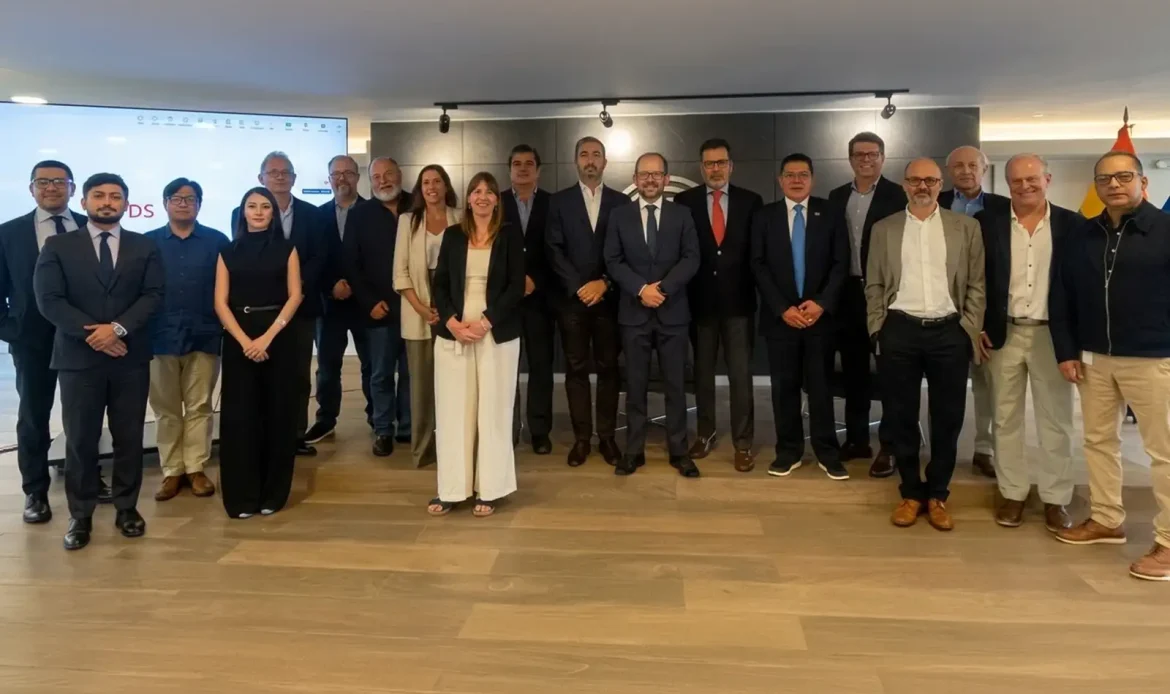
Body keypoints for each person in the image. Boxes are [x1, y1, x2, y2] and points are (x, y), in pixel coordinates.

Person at [1049, 151, 1170, 581]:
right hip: (1094, 358)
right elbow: (1061, 295)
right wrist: (1066, 350)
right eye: (1105, 179)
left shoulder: (1165, 230)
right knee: (1099, 441)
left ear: (1142, 182)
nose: (1114, 185)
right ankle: (1106, 519)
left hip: (1154, 358)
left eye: (1123, 177)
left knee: (1164, 452)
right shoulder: (1082, 234)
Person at [34, 173, 165, 550]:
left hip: (129, 358)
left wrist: (118, 329)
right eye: (99, 195)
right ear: (84, 202)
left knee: (129, 437)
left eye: (115, 196)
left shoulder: (144, 246)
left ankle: (127, 508)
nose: (107, 202)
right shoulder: (58, 246)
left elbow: (154, 295)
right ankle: (81, 515)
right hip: (79, 360)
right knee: (80, 440)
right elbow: (49, 300)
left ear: (126, 203)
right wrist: (96, 335)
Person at [865, 158, 985, 532]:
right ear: (904, 185)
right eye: (915, 180)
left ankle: (938, 494)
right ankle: (910, 493)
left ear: (940, 184)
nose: (922, 186)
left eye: (930, 180)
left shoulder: (966, 227)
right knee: (900, 415)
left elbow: (977, 284)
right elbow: (874, 284)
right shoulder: (884, 228)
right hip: (899, 329)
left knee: (947, 418)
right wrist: (877, 329)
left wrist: (968, 328)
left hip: (949, 332)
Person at [977, 154, 1077, 532]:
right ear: (1007, 184)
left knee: (1057, 421)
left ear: (1047, 179)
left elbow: (1080, 286)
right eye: (1016, 180)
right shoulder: (986, 223)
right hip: (1002, 333)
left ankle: (1056, 498)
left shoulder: (1072, 224)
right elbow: (975, 279)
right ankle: (1013, 493)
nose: (1025, 186)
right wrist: (978, 327)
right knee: (1005, 418)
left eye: (1032, 179)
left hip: (1053, 336)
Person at [0, 160, 97, 524]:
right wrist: (12, 330)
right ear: (31, 189)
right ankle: (35, 491)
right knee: (33, 415)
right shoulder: (8, 233)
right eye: (43, 182)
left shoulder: (91, 227)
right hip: (32, 341)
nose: (52, 187)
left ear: (72, 188)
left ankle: (89, 479)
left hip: (85, 337)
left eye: (59, 181)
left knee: (85, 415)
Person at [429, 172, 524, 517]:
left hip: (496, 334)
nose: (482, 196)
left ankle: (490, 488)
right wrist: (451, 322)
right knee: (454, 412)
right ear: (468, 199)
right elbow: (440, 284)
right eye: (476, 191)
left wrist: (485, 322)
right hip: (455, 332)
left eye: (489, 192)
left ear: (497, 199)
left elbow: (516, 286)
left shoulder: (509, 235)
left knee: (493, 411)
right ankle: (452, 489)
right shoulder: (453, 235)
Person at [751, 153, 849, 480]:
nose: (796, 180)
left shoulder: (830, 213)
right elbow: (758, 266)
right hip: (781, 319)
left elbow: (841, 263)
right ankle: (788, 451)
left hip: (820, 318)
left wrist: (821, 303)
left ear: (812, 179)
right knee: (784, 389)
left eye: (803, 174)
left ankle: (827, 452)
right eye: (790, 175)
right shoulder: (764, 216)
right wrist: (782, 308)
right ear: (780, 180)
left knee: (821, 388)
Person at [603, 152, 700, 477]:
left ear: (666, 180)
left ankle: (679, 451)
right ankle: (633, 451)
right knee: (635, 386)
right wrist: (641, 289)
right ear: (635, 180)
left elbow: (691, 258)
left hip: (673, 313)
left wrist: (663, 289)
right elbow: (613, 260)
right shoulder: (619, 216)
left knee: (675, 386)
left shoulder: (682, 215)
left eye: (656, 174)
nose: (650, 179)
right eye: (644, 174)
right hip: (634, 313)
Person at [673, 138, 763, 472]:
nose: (715, 169)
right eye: (710, 163)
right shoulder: (685, 202)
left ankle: (743, 443)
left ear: (731, 166)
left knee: (741, 377)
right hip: (700, 305)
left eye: (721, 162)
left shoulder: (751, 201)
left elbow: (757, 254)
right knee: (703, 376)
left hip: (739, 304)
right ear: (701, 168)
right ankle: (705, 433)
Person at [215, 187, 303, 519]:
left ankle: (273, 494)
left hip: (278, 337)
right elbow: (220, 302)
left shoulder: (287, 249)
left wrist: (267, 338)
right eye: (252, 206)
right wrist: (244, 340)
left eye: (265, 206)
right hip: (239, 340)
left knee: (277, 415)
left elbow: (295, 296)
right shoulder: (227, 251)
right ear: (243, 211)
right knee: (241, 418)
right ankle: (241, 497)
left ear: (273, 213)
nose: (258, 212)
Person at [232, 152, 325, 456]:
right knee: (260, 375)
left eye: (286, 172)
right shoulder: (239, 213)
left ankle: (294, 436)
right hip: (257, 312)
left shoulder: (313, 214)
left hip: (300, 308)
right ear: (261, 178)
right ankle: (262, 435)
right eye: (273, 172)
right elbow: (243, 257)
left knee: (297, 376)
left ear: (294, 178)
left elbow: (319, 258)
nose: (280, 176)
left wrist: (293, 289)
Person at [827, 132, 907, 477]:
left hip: (887, 294)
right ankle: (857, 439)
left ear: (882, 158)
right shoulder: (836, 196)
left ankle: (890, 445)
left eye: (872, 154)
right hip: (847, 293)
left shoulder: (898, 195)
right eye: (859, 155)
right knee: (854, 371)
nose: (866, 160)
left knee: (890, 372)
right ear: (850, 160)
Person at [546, 136, 629, 467]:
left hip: (610, 300)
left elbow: (627, 250)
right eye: (584, 154)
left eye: (596, 154)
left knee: (609, 369)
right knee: (576, 369)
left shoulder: (622, 202)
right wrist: (580, 287)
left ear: (605, 162)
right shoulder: (558, 202)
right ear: (576, 161)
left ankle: (607, 437)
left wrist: (604, 283)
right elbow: (553, 249)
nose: (590, 160)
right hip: (573, 302)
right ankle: (582, 438)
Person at [144, 178, 228, 502]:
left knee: (200, 405)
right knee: (165, 409)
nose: (183, 204)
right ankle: (172, 470)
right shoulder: (147, 243)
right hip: (158, 337)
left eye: (190, 199)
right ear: (165, 203)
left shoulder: (217, 241)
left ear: (199, 205)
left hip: (204, 335)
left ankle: (195, 467)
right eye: (177, 198)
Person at [941, 145, 1011, 479]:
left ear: (984, 168)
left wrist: (984, 320)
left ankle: (985, 449)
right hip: (943, 310)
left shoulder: (1004, 208)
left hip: (989, 310)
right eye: (958, 166)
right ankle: (942, 451)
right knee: (944, 388)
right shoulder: (934, 202)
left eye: (973, 165)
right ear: (948, 171)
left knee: (987, 387)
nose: (966, 171)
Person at [394, 164, 461, 467]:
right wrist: (421, 308)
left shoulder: (461, 217)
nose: (431, 187)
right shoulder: (408, 221)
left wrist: (450, 310)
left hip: (455, 308)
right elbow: (400, 273)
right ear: (420, 189)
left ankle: (454, 448)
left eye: (437, 181)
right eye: (425, 182)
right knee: (421, 386)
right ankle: (423, 450)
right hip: (418, 306)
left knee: (455, 384)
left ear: (446, 185)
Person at [345, 157, 413, 456]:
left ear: (400, 175)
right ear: (370, 181)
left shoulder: (418, 205)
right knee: (380, 374)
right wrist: (369, 302)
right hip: (379, 310)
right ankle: (384, 430)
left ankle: (408, 428)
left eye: (388, 174)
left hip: (416, 308)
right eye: (376, 177)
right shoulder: (360, 214)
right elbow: (352, 264)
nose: (383, 181)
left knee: (411, 374)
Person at [304, 155, 372, 445]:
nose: (342, 178)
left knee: (372, 365)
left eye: (348, 173)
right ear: (329, 179)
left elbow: (379, 258)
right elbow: (313, 259)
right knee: (328, 367)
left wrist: (357, 287)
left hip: (366, 303)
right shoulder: (316, 216)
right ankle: (325, 420)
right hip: (329, 303)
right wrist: (331, 287)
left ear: (357, 177)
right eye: (336, 174)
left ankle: (378, 420)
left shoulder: (374, 212)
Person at [501, 144, 555, 454]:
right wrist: (514, 281)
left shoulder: (553, 203)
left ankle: (539, 431)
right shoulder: (496, 202)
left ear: (538, 170)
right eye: (517, 163)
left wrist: (536, 280)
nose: (523, 168)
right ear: (509, 169)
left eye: (529, 163)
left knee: (541, 368)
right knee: (506, 368)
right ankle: (508, 430)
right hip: (505, 303)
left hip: (541, 301)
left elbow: (557, 249)